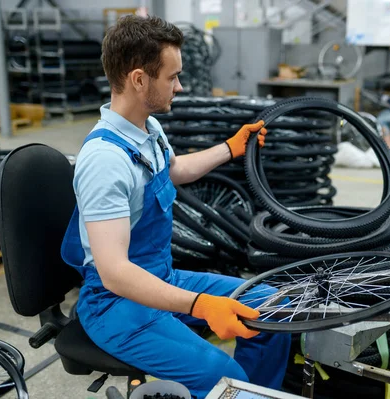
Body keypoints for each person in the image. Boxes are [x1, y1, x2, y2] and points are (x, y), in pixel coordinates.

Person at [60, 15, 291, 399]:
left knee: (270, 308)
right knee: (225, 376)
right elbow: (116, 273)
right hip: (116, 306)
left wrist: (230, 148)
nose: (180, 86)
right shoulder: (104, 160)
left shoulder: (147, 130)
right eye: (172, 77)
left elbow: (174, 169)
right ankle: (238, 392)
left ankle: (252, 394)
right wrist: (201, 304)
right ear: (139, 79)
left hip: (161, 278)